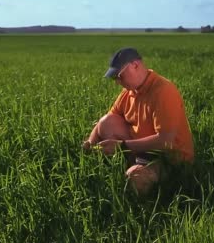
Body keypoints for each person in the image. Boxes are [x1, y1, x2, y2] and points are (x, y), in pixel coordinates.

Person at [83, 47, 194, 197]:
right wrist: (89, 144)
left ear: (135, 65)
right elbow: (106, 120)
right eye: (114, 78)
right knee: (107, 122)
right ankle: (133, 165)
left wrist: (122, 146)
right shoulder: (129, 93)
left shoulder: (163, 91)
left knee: (135, 177)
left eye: (119, 76)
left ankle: (147, 211)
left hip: (170, 158)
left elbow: (165, 141)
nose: (117, 82)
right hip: (142, 149)